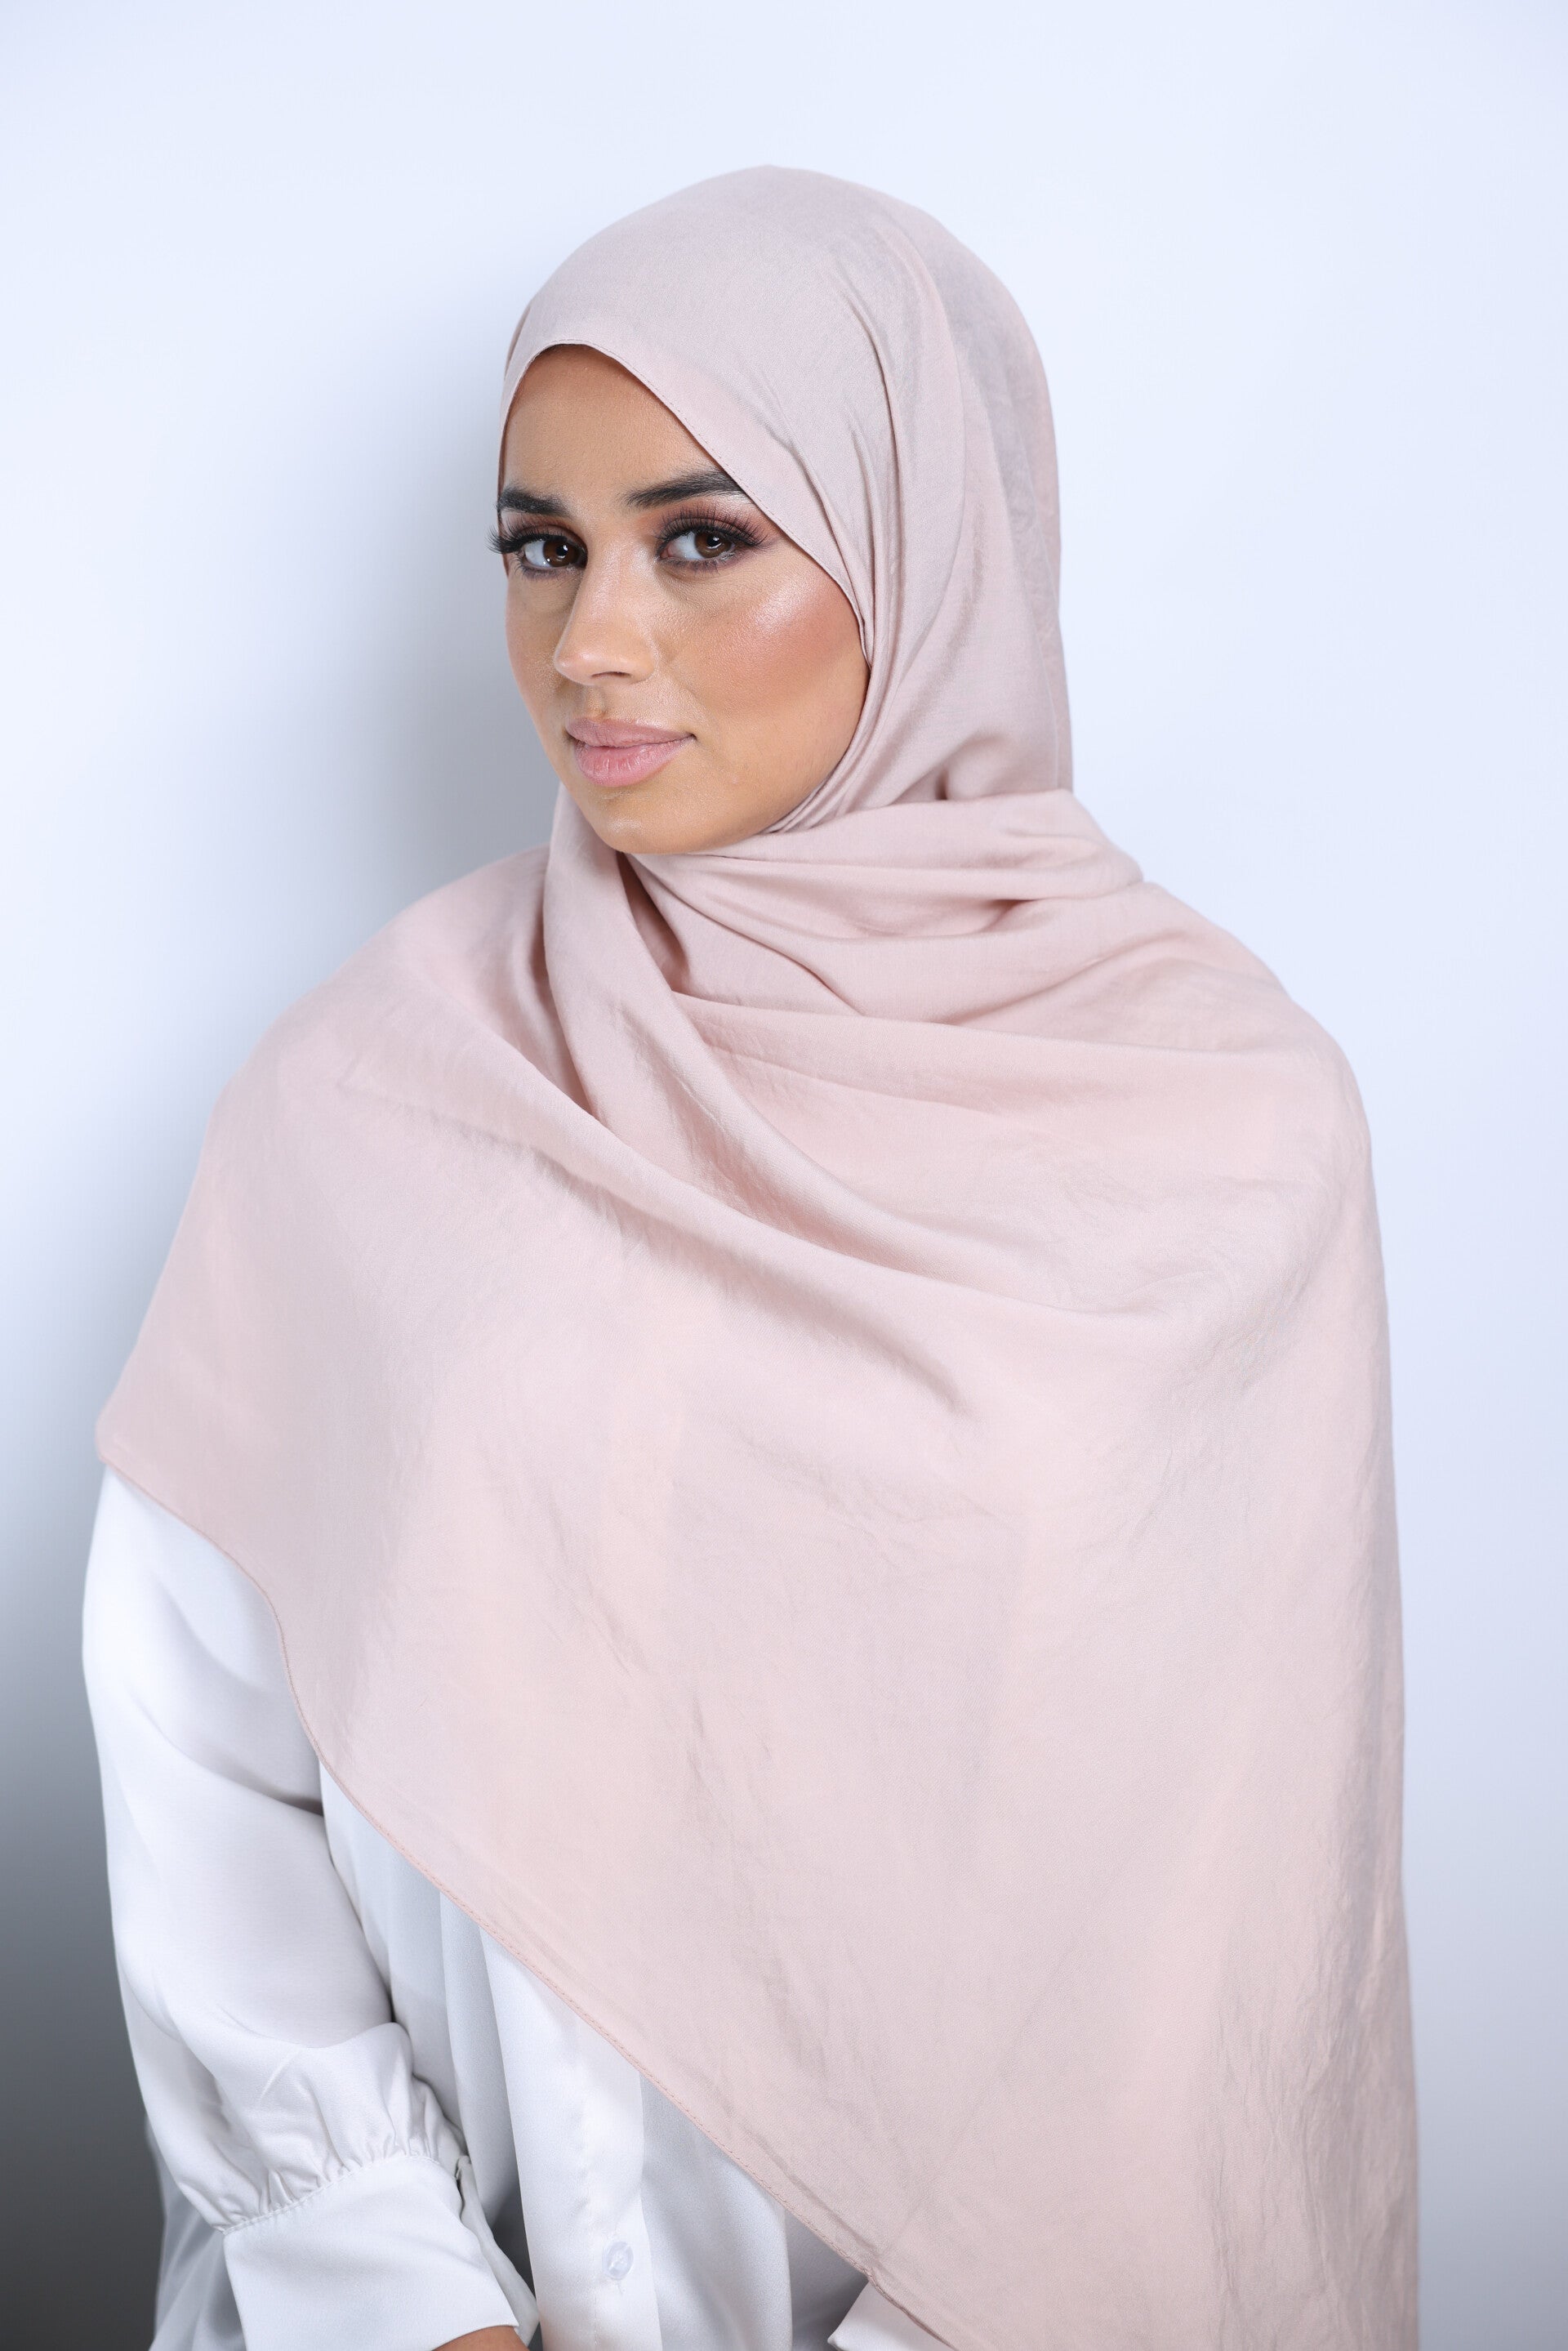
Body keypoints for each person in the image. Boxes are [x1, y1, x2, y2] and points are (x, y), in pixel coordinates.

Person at [84, 168, 1417, 2351]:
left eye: (702, 541)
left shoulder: (1223, 1134)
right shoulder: (371, 1088)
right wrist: (400, 2294)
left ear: (924, 547)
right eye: (542, 548)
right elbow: (202, 1717)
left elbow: (1227, 1919)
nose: (591, 644)